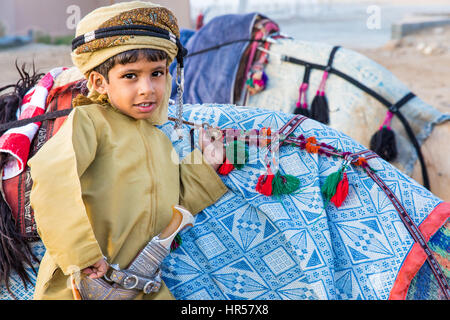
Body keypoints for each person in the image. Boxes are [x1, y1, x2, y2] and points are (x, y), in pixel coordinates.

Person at [28, 1, 228, 300]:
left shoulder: (159, 139)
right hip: (83, 285)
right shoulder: (90, 122)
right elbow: (51, 180)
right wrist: (82, 254)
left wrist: (205, 164)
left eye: (157, 73)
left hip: (142, 286)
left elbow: (173, 207)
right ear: (99, 82)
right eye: (131, 76)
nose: (148, 88)